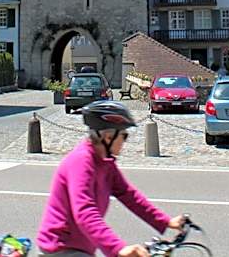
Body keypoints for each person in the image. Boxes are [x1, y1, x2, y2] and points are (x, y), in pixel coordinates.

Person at [36, 101, 187, 256]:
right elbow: (85, 211)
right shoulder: (81, 161)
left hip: (80, 248)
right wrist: (118, 248)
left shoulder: (104, 162)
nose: (125, 142)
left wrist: (165, 221)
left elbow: (129, 195)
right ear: (108, 137)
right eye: (124, 136)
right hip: (61, 249)